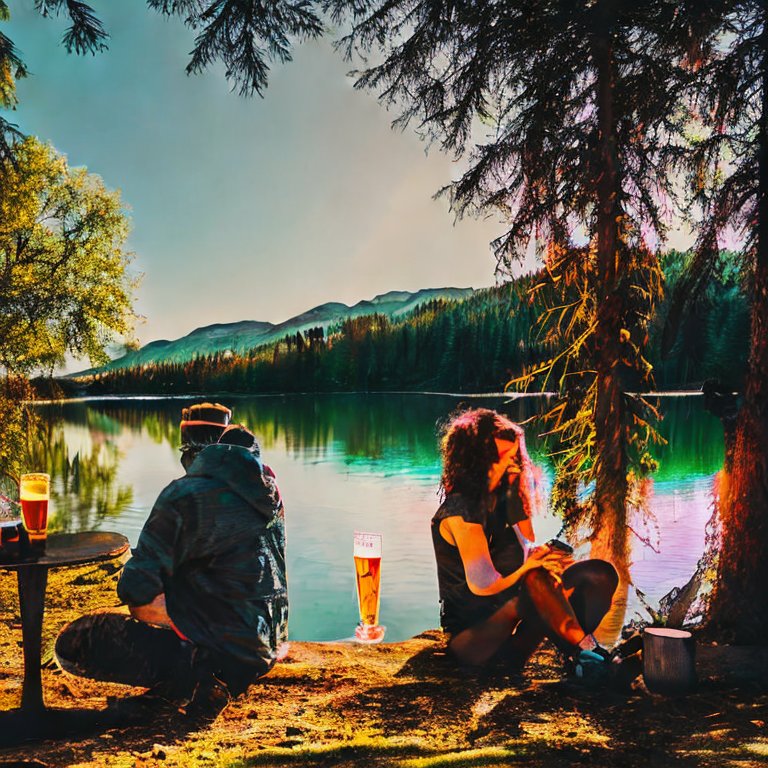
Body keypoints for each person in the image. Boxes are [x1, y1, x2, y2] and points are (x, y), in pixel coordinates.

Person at [55, 405, 288, 709]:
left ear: (190, 450)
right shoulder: (270, 492)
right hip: (264, 650)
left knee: (76, 641)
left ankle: (197, 675)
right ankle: (208, 674)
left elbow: (135, 592)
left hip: (217, 651)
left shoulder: (183, 495)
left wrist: (168, 590)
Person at [432, 408, 619, 679]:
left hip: (514, 634)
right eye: (501, 458)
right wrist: (531, 568)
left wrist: (546, 558)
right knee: (533, 579)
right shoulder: (460, 512)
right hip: (474, 642)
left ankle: (579, 659)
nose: (512, 465)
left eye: (513, 457)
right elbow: (483, 583)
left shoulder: (500, 502)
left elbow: (523, 550)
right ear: (474, 461)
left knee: (599, 574)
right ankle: (588, 653)